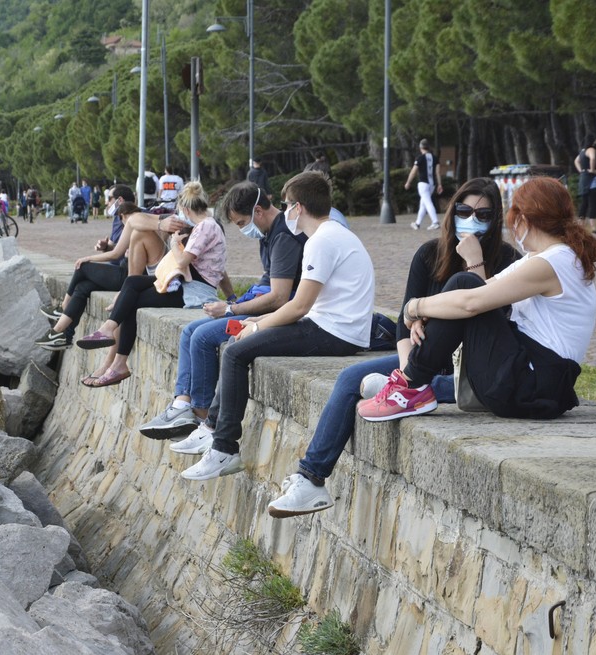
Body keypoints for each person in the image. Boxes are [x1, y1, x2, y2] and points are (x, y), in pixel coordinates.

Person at [266, 177, 520, 517]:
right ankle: (311, 479)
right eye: (464, 210)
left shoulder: (508, 259)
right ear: (451, 212)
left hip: (474, 368)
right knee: (348, 380)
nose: (472, 219)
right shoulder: (430, 253)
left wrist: (475, 263)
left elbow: (493, 319)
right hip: (419, 361)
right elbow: (403, 319)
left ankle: (424, 389)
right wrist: (406, 372)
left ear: (495, 219)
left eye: (483, 214)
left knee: (448, 383)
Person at [178, 171, 375, 481]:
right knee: (236, 342)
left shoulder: (322, 240)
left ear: (299, 207)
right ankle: (214, 430)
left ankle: (224, 447)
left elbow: (299, 305)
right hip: (331, 326)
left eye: (287, 205)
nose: (285, 212)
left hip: (335, 334)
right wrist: (257, 321)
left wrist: (258, 326)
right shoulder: (331, 234)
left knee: (234, 352)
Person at [358, 177, 596, 425]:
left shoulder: (553, 262)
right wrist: (426, 313)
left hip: (530, 386)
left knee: (464, 285)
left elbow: (472, 300)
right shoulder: (545, 258)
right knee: (462, 287)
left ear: (522, 218)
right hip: (533, 383)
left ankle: (411, 385)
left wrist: (414, 307)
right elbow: (482, 290)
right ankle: (412, 384)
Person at [138, 180, 307, 440]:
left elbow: (279, 297)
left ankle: (202, 417)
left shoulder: (283, 237)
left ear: (258, 211)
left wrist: (230, 308)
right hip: (261, 301)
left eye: (241, 223)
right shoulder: (269, 233)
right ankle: (183, 404)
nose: (243, 230)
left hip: (276, 314)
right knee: (190, 331)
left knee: (204, 337)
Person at [75, 181, 234, 388]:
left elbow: (183, 261)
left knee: (132, 301)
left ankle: (118, 361)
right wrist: (231, 297)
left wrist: (175, 242)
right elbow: (219, 270)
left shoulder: (206, 227)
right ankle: (109, 333)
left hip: (193, 293)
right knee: (132, 282)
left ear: (185, 208)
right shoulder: (208, 225)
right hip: (186, 284)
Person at [35, 185, 188, 351]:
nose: (108, 205)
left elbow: (117, 253)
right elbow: (116, 249)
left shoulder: (138, 220)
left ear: (122, 211)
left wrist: (89, 257)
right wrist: (107, 246)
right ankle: (64, 334)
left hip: (127, 274)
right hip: (127, 273)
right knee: (83, 287)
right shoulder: (134, 221)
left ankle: (63, 309)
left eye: (110, 200)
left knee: (83, 268)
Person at [405, 139, 443, 230]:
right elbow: (438, 172)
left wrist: (408, 182)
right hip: (432, 184)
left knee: (427, 202)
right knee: (423, 203)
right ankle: (417, 223)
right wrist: (439, 184)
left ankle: (435, 222)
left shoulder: (420, 158)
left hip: (423, 184)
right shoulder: (435, 158)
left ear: (420, 147)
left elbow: (413, 172)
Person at [574, 134, 596, 233]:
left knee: (584, 203)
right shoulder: (591, 149)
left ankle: (580, 226)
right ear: (593, 141)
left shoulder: (582, 151)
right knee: (593, 203)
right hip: (592, 181)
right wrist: (592, 170)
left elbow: (576, 161)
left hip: (583, 179)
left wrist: (582, 171)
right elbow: (592, 158)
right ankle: (593, 227)